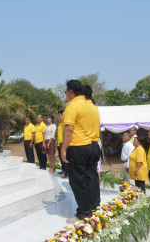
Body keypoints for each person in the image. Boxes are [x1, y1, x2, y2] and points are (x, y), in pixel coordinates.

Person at [61, 80, 93, 224]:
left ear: (71, 92)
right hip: (90, 146)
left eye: (66, 92)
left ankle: (83, 212)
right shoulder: (90, 105)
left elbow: (69, 129)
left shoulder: (72, 105)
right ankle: (90, 207)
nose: (66, 95)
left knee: (77, 181)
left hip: (78, 147)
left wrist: (63, 148)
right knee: (87, 179)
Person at [82, 84, 101, 211]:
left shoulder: (85, 108)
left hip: (86, 144)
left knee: (87, 176)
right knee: (93, 175)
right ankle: (95, 202)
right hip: (95, 144)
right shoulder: (94, 108)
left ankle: (89, 205)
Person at [57, 110, 68, 178]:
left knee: (65, 158)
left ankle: (67, 173)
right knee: (61, 158)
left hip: (64, 143)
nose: (58, 117)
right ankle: (63, 170)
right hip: (59, 143)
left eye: (59, 115)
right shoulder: (59, 124)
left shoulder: (65, 123)